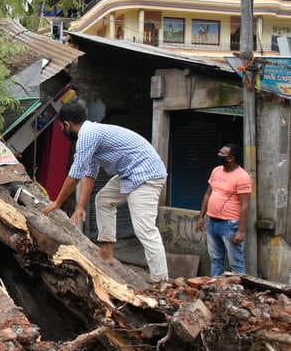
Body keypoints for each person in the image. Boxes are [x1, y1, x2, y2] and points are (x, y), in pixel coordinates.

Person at [42, 101, 169, 282]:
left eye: (62, 127)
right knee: (103, 200)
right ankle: (107, 250)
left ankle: (161, 282)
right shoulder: (91, 136)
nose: (63, 130)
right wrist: (80, 206)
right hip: (130, 173)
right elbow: (89, 175)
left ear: (67, 125)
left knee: (145, 229)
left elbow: (74, 175)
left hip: (146, 174)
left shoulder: (87, 135)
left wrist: (57, 202)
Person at [197, 144, 251, 276]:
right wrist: (201, 217)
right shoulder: (216, 170)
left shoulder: (242, 177)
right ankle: (216, 289)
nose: (219, 155)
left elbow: (245, 205)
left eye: (222, 154)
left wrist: (241, 231)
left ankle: (239, 293)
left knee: (236, 263)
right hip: (212, 223)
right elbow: (208, 194)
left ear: (231, 158)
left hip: (230, 224)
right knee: (215, 260)